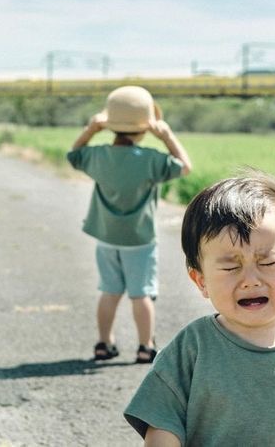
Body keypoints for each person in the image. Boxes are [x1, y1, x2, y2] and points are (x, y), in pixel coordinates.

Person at [124, 170, 275, 446]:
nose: (250, 280)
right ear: (201, 280)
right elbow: (163, 425)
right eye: (231, 267)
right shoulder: (194, 347)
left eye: (267, 263)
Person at [67, 85, 192, 364]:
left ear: (109, 125)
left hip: (106, 237)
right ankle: (145, 346)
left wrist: (90, 131)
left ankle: (103, 343)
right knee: (141, 294)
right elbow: (185, 166)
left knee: (109, 291)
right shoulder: (151, 159)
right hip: (140, 240)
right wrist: (167, 136)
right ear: (146, 128)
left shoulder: (97, 155)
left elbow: (72, 156)